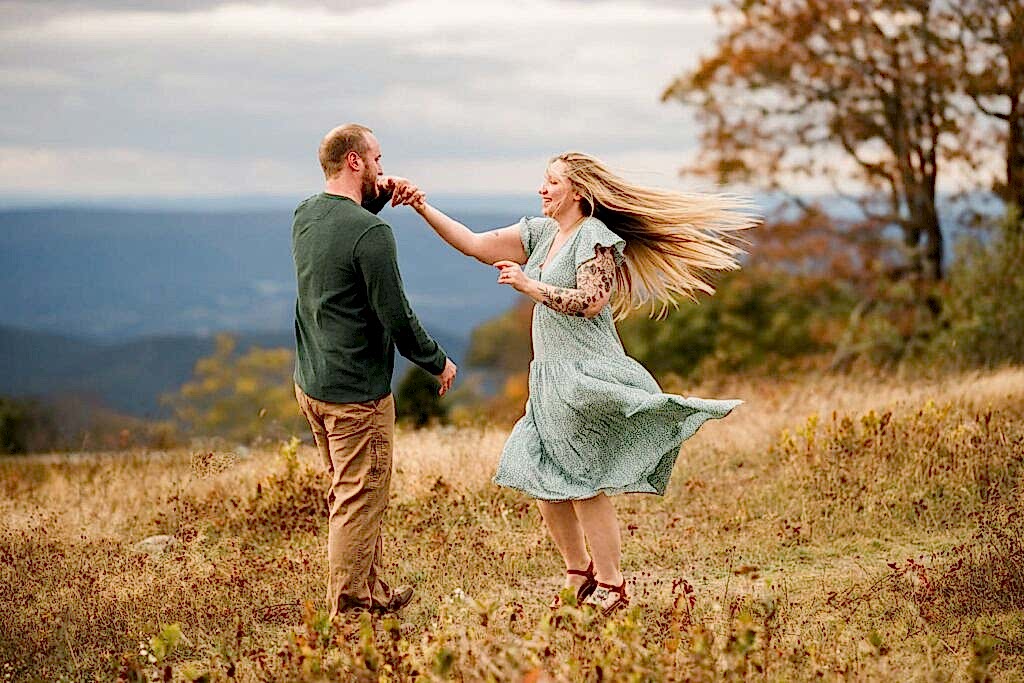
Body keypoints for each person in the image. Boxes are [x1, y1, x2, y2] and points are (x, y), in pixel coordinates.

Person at [409, 152, 756, 614]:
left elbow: (591, 302)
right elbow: (474, 244)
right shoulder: (541, 233)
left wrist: (528, 287)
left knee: (582, 481)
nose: (542, 189)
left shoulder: (595, 237)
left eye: (551, 182)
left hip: (583, 372)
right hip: (548, 378)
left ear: (578, 192)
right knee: (537, 470)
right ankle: (579, 570)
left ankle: (612, 585)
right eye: (544, 181)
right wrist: (420, 205)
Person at [291, 123, 457, 619]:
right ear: (355, 162)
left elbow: (347, 238)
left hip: (313, 383)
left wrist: (381, 197)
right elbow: (396, 314)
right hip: (355, 394)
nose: (385, 169)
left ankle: (373, 593)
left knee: (351, 494)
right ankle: (350, 612)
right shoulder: (372, 233)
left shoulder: (306, 215)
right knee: (358, 500)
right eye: (379, 160)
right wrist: (435, 360)